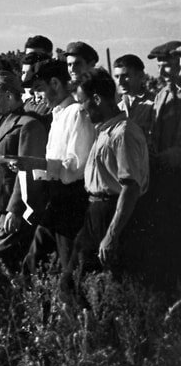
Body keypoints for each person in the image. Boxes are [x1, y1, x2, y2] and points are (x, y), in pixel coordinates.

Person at [62, 69, 149, 302]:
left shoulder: (123, 133)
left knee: (103, 289)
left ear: (97, 99)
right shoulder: (104, 131)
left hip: (112, 213)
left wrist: (111, 235)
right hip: (95, 213)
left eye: (83, 102)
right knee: (73, 283)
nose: (81, 109)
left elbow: (130, 187)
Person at [0, 70, 48, 315]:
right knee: (7, 267)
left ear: (8, 95)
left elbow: (25, 172)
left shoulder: (29, 125)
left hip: (11, 209)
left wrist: (16, 209)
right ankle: (10, 318)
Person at [10, 59, 97, 275]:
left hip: (73, 200)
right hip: (55, 199)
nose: (36, 97)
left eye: (39, 89)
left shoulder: (76, 113)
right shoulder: (57, 115)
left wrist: (35, 163)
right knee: (33, 263)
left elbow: (76, 165)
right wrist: (29, 167)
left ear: (56, 84)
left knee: (70, 268)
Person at [147, 40, 181, 290]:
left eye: (167, 66)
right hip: (164, 181)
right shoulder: (161, 96)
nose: (161, 73)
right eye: (160, 67)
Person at [113, 54, 155, 144]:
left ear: (141, 75)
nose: (120, 82)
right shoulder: (118, 107)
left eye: (125, 76)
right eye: (117, 77)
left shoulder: (154, 104)